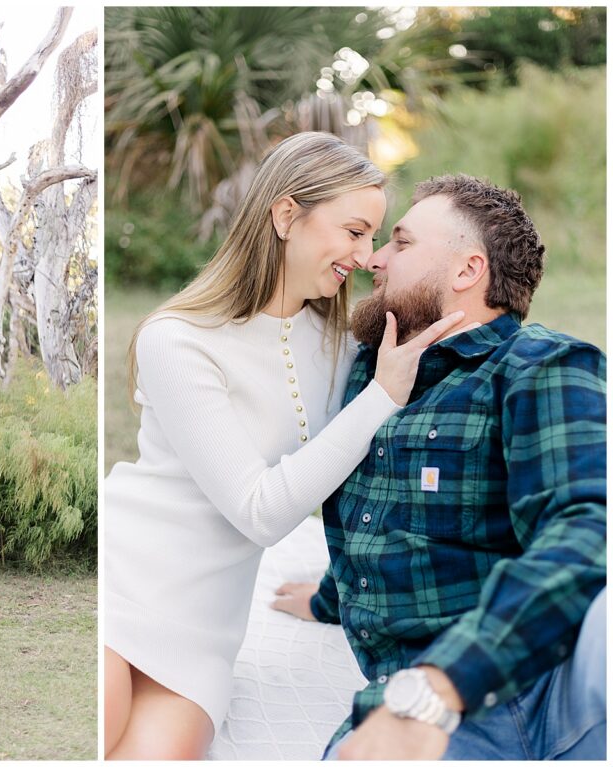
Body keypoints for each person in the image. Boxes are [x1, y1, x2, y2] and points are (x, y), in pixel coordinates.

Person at [103, 132, 472, 760]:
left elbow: (360, 480)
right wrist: (381, 395)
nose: (365, 255)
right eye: (354, 231)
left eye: (375, 237)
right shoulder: (179, 339)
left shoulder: (340, 345)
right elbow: (261, 510)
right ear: (285, 215)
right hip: (121, 583)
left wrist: (329, 597)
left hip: (205, 630)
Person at [272, 174, 606, 760]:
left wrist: (437, 686)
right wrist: (330, 597)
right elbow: (396, 520)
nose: (374, 258)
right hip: (415, 697)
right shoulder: (372, 377)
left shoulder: (539, 366)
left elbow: (586, 532)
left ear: (466, 271)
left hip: (527, 684)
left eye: (400, 243)